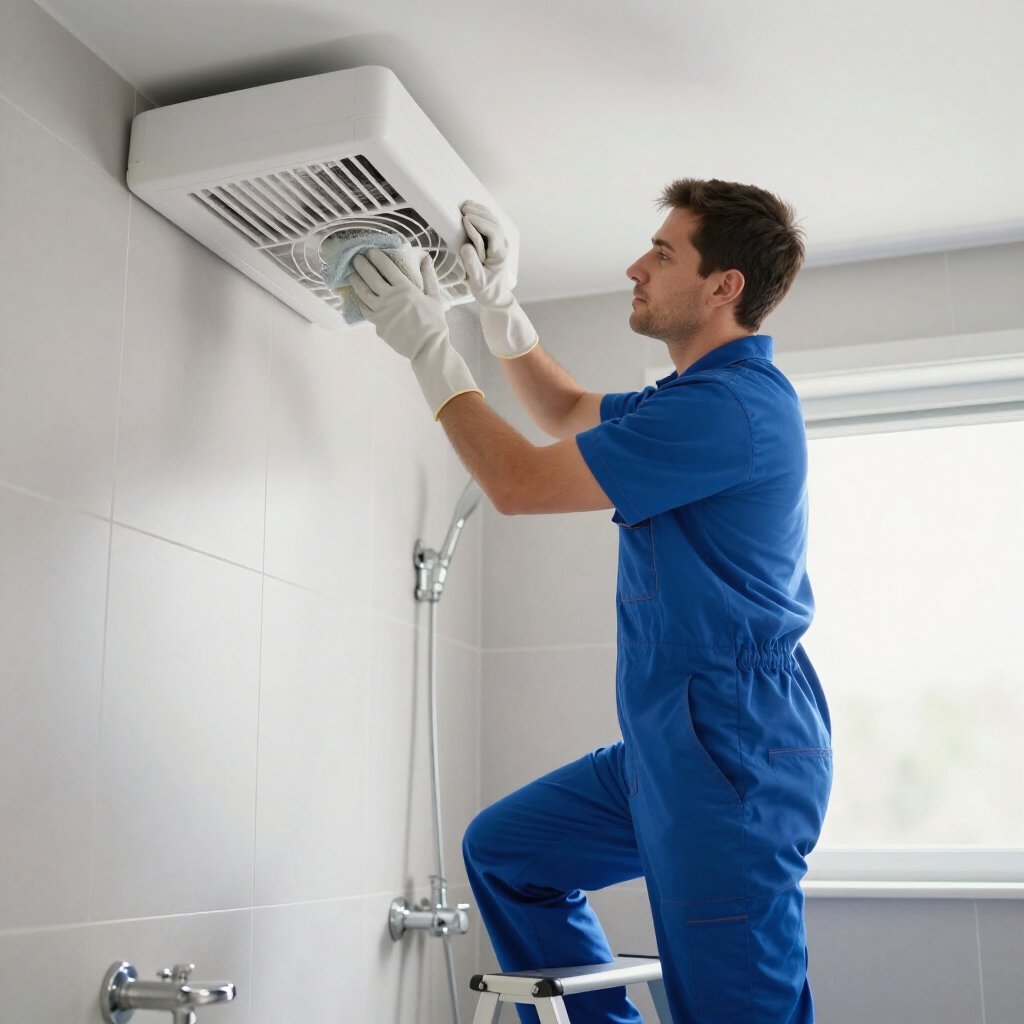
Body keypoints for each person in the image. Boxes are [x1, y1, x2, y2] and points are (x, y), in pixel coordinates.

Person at [348, 178, 833, 1024]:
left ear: (725, 287)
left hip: (734, 753)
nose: (634, 265)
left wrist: (429, 347)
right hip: (672, 742)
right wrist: (499, 308)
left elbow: (516, 481)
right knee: (507, 853)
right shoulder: (691, 400)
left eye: (664, 252)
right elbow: (565, 410)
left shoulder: (730, 411)